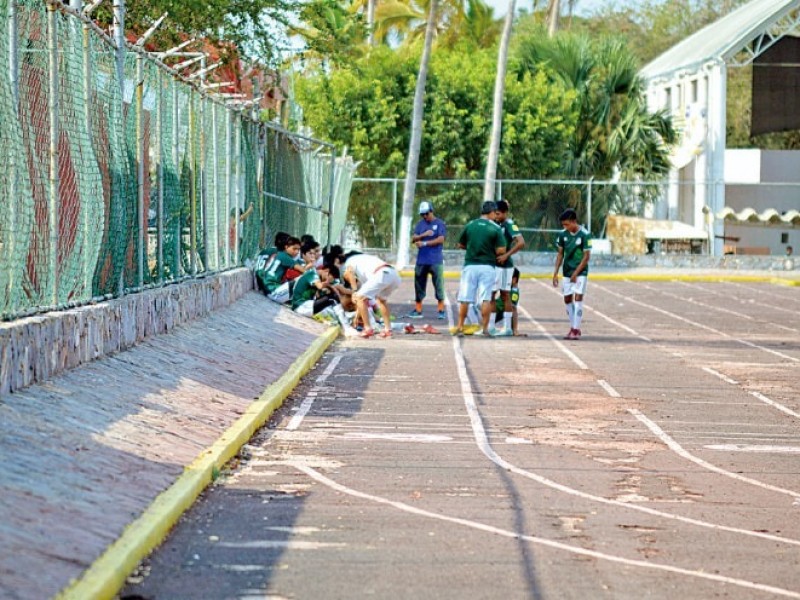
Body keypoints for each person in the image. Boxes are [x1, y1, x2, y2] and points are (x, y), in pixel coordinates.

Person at [453, 201, 506, 337]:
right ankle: (485, 329)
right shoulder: (495, 228)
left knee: (465, 298)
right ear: (492, 212)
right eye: (495, 213)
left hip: (470, 266)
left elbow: (460, 244)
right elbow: (501, 249)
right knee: (485, 299)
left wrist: (472, 248)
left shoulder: (470, 225)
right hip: (487, 266)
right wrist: (490, 251)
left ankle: (460, 327)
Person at [552, 208, 592, 340]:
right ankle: (574, 326)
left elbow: (586, 257)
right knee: (567, 299)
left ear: (574, 221)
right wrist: (555, 272)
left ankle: (575, 329)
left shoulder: (585, 235)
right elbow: (560, 254)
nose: (565, 227)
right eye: (563, 225)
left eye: (567, 224)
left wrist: (576, 273)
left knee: (578, 298)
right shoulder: (563, 235)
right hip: (567, 272)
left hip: (580, 272)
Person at [342, 252, 401, 339]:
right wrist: (357, 315)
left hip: (381, 274)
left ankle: (367, 329)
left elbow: (349, 273)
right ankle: (388, 330)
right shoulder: (365, 262)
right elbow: (364, 300)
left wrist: (354, 291)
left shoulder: (349, 261)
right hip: (394, 275)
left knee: (359, 297)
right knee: (381, 301)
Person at [408, 200, 447, 320]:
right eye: (422, 214)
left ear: (431, 211)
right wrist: (423, 235)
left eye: (426, 214)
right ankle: (418, 310)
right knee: (419, 284)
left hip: (435, 260)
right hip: (421, 260)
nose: (425, 216)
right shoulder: (420, 224)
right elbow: (414, 239)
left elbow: (441, 239)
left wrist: (425, 243)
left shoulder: (440, 223)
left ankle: (441, 310)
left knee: (438, 285)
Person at [492, 200, 526, 336]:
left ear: (505, 213)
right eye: (495, 213)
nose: (496, 215)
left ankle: (508, 328)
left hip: (505, 266)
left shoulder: (510, 225)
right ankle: (490, 327)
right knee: (491, 295)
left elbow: (521, 242)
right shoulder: (495, 223)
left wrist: (506, 255)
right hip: (493, 264)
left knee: (506, 295)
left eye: (498, 213)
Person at [495, 268, 522, 336]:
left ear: (514, 280)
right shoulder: (510, 289)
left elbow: (514, 310)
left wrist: (515, 329)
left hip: (497, 312)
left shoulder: (514, 293)